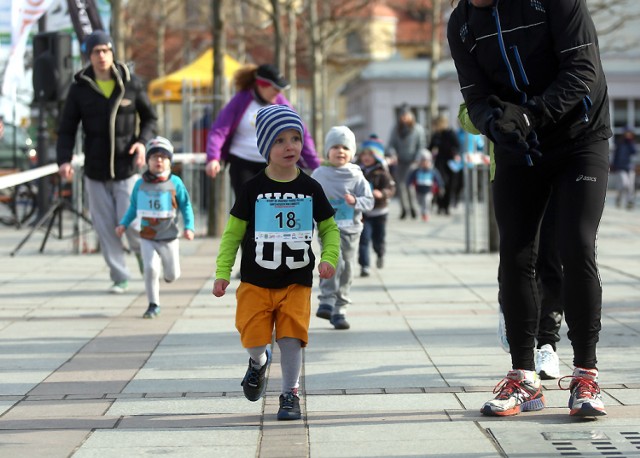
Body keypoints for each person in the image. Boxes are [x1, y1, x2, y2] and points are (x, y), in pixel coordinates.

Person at [448, 0, 612, 417]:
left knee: (574, 245)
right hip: (521, 147)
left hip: (579, 138)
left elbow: (583, 73)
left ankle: (585, 376)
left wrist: (530, 114)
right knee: (516, 254)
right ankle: (523, 377)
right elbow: (476, 95)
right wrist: (494, 123)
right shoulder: (462, 24)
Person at [212, 105, 340, 421]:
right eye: (280, 140)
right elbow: (232, 234)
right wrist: (222, 272)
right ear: (265, 147)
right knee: (253, 339)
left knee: (291, 338)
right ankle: (258, 363)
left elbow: (328, 227)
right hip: (256, 282)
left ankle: (289, 394)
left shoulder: (310, 187)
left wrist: (328, 257)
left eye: (295, 138)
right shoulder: (252, 189)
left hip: (296, 281)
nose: (290, 146)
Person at [459, 103, 564, 381]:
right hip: (510, 172)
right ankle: (510, 310)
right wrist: (495, 117)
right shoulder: (494, 65)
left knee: (550, 257)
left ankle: (547, 345)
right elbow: (466, 115)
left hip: (555, 169)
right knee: (515, 258)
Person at [56, 30, 158, 294]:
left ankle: (141, 256)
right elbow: (67, 128)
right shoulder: (79, 89)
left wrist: (141, 142)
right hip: (95, 171)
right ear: (88, 56)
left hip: (126, 170)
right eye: (95, 51)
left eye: (105, 50)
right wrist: (64, 160)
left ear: (112, 53)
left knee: (132, 224)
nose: (101, 56)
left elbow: (150, 119)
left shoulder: (131, 83)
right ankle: (119, 276)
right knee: (105, 228)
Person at [205, 63, 320, 200]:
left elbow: (302, 133)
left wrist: (316, 166)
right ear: (261, 85)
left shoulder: (281, 103)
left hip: (273, 163)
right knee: (249, 207)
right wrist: (213, 158)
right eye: (276, 88)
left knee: (273, 205)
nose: (279, 92)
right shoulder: (240, 100)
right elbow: (219, 130)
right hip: (242, 163)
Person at [116, 136, 195, 319]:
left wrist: (189, 227)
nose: (158, 160)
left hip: (169, 236)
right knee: (150, 268)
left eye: (163, 157)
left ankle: (168, 276)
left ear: (170, 161)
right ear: (147, 161)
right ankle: (153, 304)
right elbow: (133, 208)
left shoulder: (175, 183)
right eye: (154, 157)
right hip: (147, 236)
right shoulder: (140, 184)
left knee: (172, 274)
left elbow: (186, 206)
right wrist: (123, 224)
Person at [312, 126, 374, 329]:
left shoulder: (356, 175)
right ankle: (327, 299)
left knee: (347, 267)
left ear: (352, 152)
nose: (340, 151)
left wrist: (355, 201)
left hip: (351, 230)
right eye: (335, 147)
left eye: (345, 148)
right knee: (333, 260)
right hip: (327, 228)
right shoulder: (319, 174)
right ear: (327, 151)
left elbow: (369, 201)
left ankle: (340, 308)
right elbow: (308, 198)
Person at [356, 135, 395, 277]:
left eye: (370, 154)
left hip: (379, 211)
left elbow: (391, 188)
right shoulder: (357, 172)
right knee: (364, 239)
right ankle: (364, 265)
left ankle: (380, 253)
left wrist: (383, 193)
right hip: (363, 212)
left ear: (377, 156)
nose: (366, 157)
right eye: (364, 154)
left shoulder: (382, 172)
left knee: (378, 238)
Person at [385, 104, 425, 219]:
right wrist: (393, 154)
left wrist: (417, 158)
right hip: (400, 161)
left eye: (406, 115)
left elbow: (421, 145)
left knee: (410, 186)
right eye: (402, 116)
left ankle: (413, 208)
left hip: (412, 161)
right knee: (401, 186)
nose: (404, 118)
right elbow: (391, 144)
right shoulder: (396, 129)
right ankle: (404, 209)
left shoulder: (418, 129)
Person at [430, 116, 461, 215]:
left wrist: (453, 152)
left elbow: (457, 145)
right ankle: (440, 206)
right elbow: (430, 147)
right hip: (439, 163)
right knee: (440, 183)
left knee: (449, 185)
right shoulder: (436, 135)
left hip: (449, 163)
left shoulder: (450, 134)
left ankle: (446, 206)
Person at [407, 150, 444, 223]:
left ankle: (426, 213)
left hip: (428, 190)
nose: (425, 163)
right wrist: (409, 184)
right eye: (423, 161)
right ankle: (423, 212)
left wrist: (440, 186)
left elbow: (438, 179)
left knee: (426, 201)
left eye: (426, 161)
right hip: (419, 190)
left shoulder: (432, 171)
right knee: (420, 202)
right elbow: (410, 178)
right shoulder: (417, 171)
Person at [611, 127, 636, 210]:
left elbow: (634, 151)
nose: (628, 134)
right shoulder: (619, 143)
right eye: (627, 132)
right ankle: (619, 198)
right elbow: (615, 156)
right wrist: (614, 166)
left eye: (629, 133)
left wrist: (630, 142)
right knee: (624, 184)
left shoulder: (631, 143)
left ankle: (629, 201)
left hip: (630, 167)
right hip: (621, 167)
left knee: (630, 186)